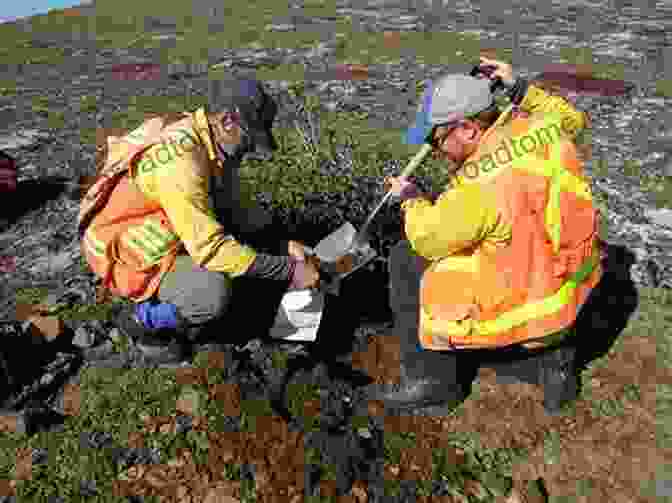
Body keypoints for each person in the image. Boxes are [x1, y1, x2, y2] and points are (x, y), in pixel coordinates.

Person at [373, 56, 604, 414]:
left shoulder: (478, 184)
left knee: (406, 259)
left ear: (467, 129)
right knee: (513, 245)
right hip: (566, 290)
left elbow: (428, 239)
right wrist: (519, 88)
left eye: (436, 141)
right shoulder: (539, 128)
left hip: (527, 303)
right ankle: (556, 361)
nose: (435, 152)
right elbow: (574, 119)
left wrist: (413, 201)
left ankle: (433, 381)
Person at [78, 78, 320, 366]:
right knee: (210, 293)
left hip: (161, 225)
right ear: (227, 120)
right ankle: (142, 320)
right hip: (123, 247)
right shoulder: (182, 161)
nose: (251, 148)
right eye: (249, 137)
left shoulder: (208, 139)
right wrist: (289, 270)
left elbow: (235, 209)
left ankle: (291, 343)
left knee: (248, 251)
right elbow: (211, 250)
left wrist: (281, 243)